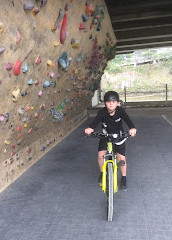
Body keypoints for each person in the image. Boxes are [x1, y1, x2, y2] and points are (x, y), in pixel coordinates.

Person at [85, 91, 137, 191]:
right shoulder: (102, 112)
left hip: (119, 137)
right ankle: (102, 173)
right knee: (101, 155)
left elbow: (128, 121)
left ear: (117, 103)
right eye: (108, 102)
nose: (111, 103)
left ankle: (124, 178)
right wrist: (90, 128)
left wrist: (132, 128)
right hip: (105, 136)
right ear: (105, 103)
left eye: (114, 101)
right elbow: (95, 121)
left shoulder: (120, 111)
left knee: (121, 159)